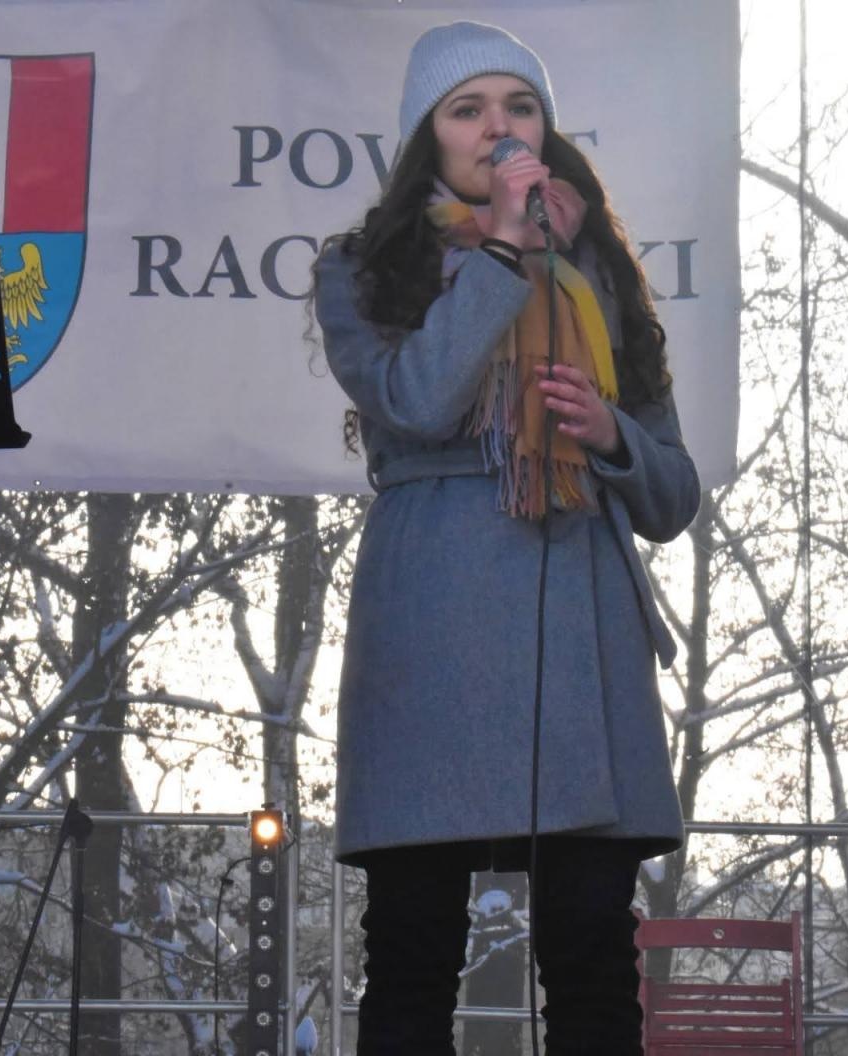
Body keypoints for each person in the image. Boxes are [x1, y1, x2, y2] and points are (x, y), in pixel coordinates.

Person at [311, 20, 701, 1056]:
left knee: (587, 950)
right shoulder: (361, 269)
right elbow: (422, 400)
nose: (496, 129)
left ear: (545, 131)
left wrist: (613, 435)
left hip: (578, 617)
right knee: (411, 949)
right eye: (467, 110)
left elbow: (672, 497)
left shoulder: (602, 277)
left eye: (517, 107)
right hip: (433, 625)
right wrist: (501, 256)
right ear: (425, 140)